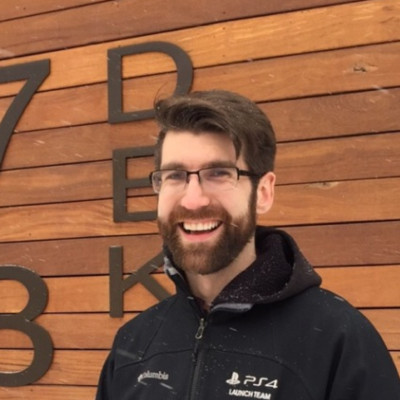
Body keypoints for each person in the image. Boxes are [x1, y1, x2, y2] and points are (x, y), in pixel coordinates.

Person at [96, 90, 399, 399]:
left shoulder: (338, 341)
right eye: (175, 175)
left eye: (219, 173)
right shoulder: (134, 345)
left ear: (264, 193)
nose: (193, 199)